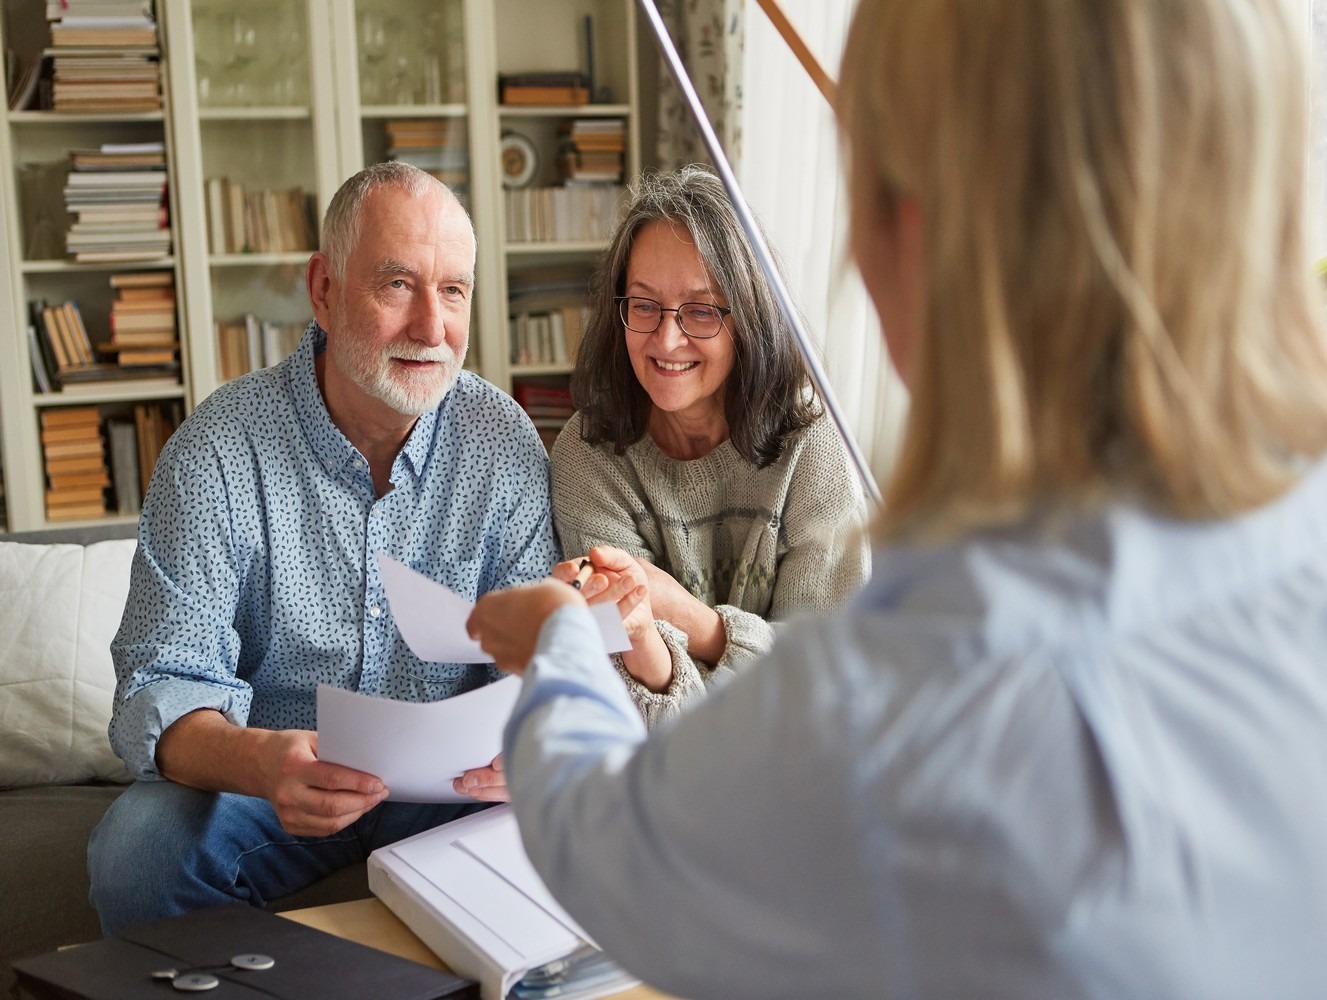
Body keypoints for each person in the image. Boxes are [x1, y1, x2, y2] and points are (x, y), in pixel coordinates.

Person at [465, 1, 1327, 997]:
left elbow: (611, 852)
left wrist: (560, 648)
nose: (667, 337)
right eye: (646, 307)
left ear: (908, 229)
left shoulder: (901, 696)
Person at [88, 162, 557, 936]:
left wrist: (533, 730)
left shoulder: (501, 441)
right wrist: (263, 764)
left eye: (452, 291)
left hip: (449, 784)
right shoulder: (218, 450)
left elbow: (533, 654)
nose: (431, 329)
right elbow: (161, 684)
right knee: (136, 857)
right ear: (324, 289)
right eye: (398, 285)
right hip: (266, 775)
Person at [549, 165, 870, 727]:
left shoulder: (810, 438)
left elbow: (832, 682)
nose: (667, 340)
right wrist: (643, 638)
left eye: (701, 311)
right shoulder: (587, 453)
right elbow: (637, 714)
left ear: (747, 316)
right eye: (644, 305)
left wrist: (691, 620)